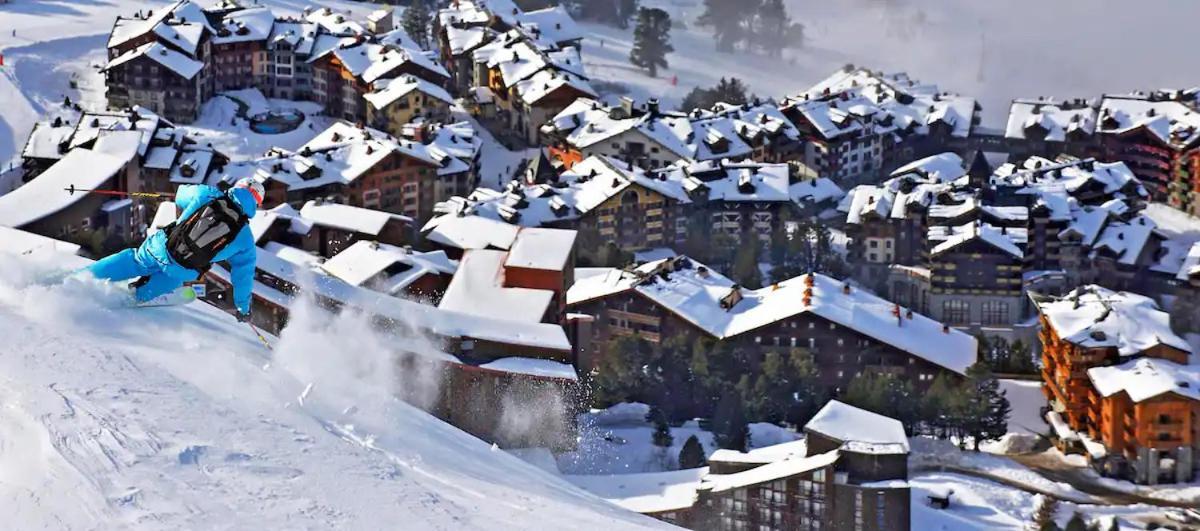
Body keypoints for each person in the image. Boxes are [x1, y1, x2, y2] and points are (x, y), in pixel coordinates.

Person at [88, 178, 263, 321]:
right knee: (173, 279)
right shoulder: (246, 240)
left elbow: (180, 195)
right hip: (184, 268)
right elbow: (243, 278)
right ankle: (134, 295)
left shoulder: (207, 193)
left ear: (237, 187)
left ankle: (85, 276)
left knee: (135, 261)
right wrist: (243, 308)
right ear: (256, 204)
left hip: (161, 247)